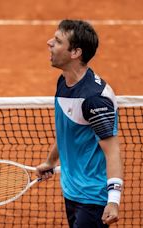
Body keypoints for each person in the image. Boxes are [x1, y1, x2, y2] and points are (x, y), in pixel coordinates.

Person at [36, 19, 124, 227]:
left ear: (75, 52)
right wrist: (50, 161)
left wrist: (113, 201)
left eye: (57, 41)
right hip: (72, 190)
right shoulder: (64, 81)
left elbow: (113, 151)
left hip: (92, 198)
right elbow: (68, 130)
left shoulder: (94, 99)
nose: (49, 43)